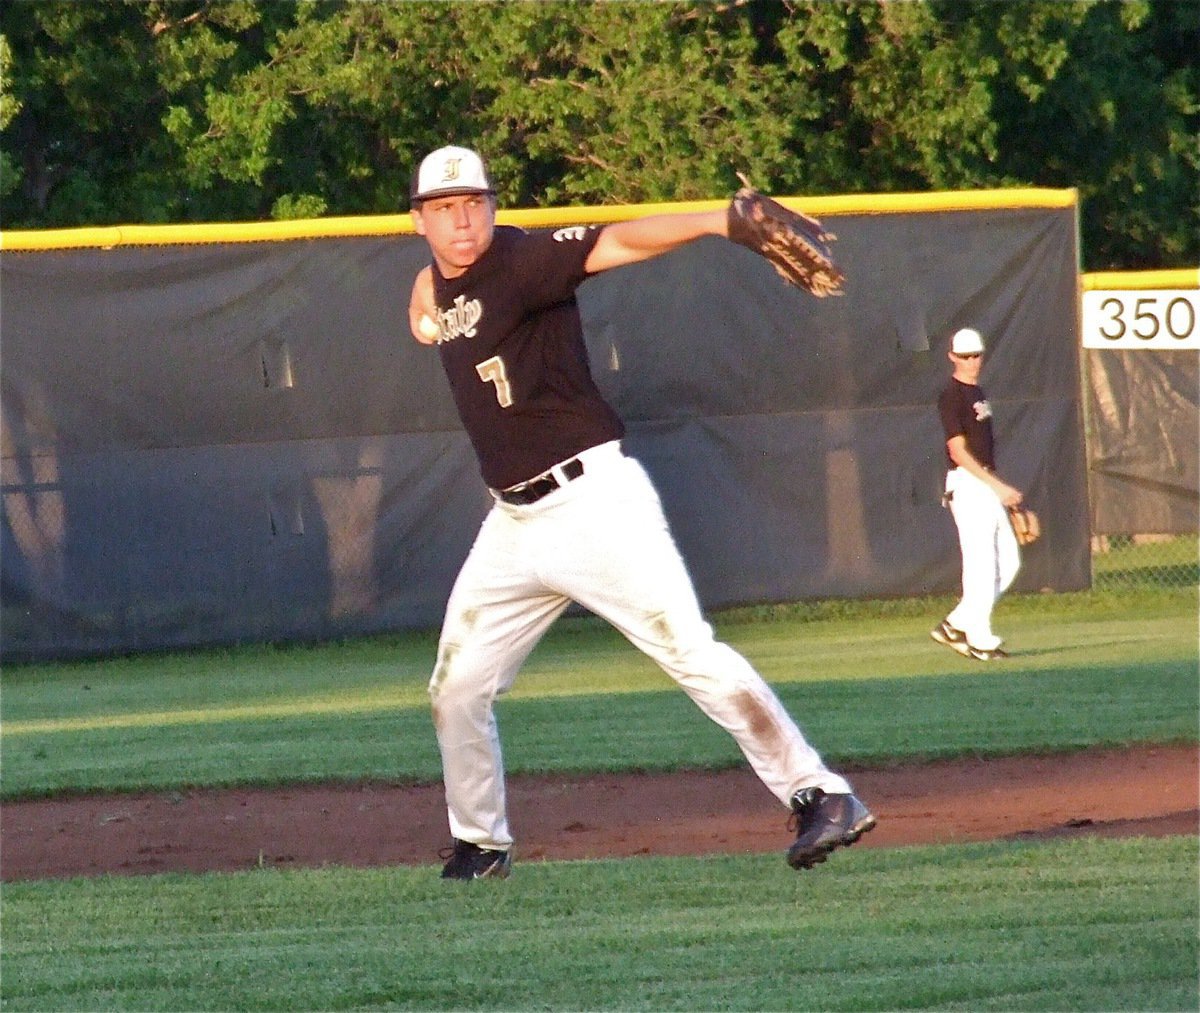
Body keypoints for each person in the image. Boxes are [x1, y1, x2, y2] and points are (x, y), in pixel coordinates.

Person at [406, 144, 875, 880]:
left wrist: (721, 219)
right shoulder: (438, 278)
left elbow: (618, 239)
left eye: (473, 204)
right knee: (457, 687)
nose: (462, 221)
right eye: (443, 208)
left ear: (494, 207)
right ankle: (481, 843)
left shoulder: (523, 263)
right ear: (420, 220)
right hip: (511, 524)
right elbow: (430, 301)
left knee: (689, 649)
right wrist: (422, 305)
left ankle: (821, 792)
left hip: (592, 505)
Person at [930, 327, 1023, 662]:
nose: (972, 361)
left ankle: (955, 625)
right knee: (981, 566)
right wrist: (996, 486)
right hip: (968, 485)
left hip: (985, 484)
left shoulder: (978, 392)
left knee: (1009, 562)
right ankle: (981, 640)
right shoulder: (951, 395)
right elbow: (957, 450)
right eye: (965, 356)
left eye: (976, 355)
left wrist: (998, 489)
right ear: (952, 357)